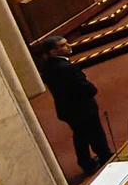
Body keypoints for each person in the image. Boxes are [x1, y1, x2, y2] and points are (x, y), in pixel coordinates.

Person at [40, 36, 112, 174]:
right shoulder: (66, 68)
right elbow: (83, 87)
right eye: (63, 45)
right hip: (81, 108)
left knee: (80, 136)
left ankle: (86, 163)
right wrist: (92, 89)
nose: (69, 45)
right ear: (53, 52)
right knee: (95, 133)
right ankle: (105, 157)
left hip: (66, 109)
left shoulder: (48, 67)